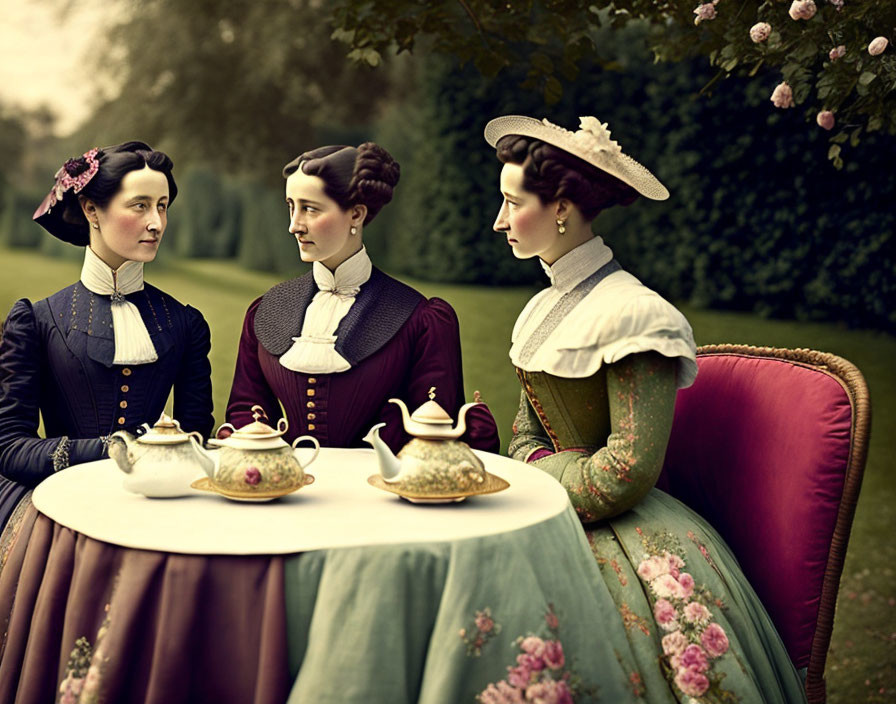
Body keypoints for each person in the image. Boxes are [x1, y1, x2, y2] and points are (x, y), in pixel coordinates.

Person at [485, 115, 806, 701]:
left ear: (560, 208)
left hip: (622, 526)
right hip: (552, 503)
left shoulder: (635, 315)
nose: (499, 219)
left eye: (512, 201)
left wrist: (541, 486)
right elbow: (525, 434)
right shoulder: (538, 310)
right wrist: (534, 472)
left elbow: (628, 469)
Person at [225, 142, 498, 452]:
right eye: (291, 206)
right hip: (287, 489)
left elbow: (434, 432)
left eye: (310, 209)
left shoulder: (421, 320)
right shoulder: (266, 311)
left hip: (384, 492)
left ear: (355, 214)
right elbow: (246, 410)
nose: (294, 226)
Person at [0, 142, 214, 533]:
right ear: (91, 209)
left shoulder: (185, 324)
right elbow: (9, 446)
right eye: (140, 205)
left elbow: (197, 437)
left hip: (160, 511)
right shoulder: (36, 320)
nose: (157, 223)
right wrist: (109, 448)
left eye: (162, 206)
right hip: (63, 509)